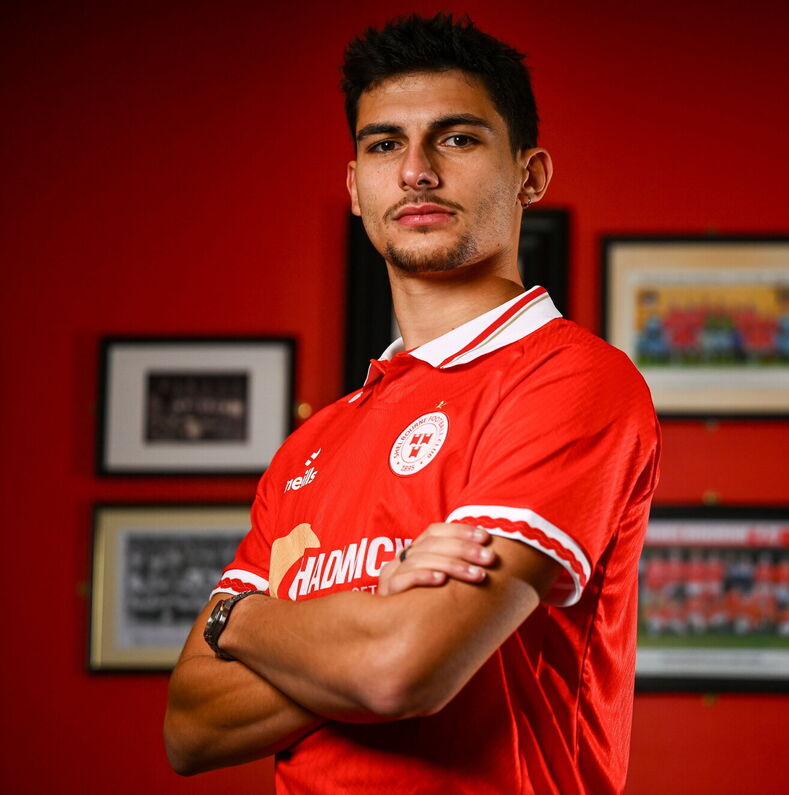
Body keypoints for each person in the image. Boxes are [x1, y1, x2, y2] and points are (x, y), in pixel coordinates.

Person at [163, 14, 661, 794]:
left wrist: (241, 621)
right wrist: (379, 600)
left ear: (529, 175)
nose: (416, 171)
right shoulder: (311, 444)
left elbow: (402, 671)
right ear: (356, 186)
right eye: (384, 144)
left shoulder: (571, 378)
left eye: (457, 139)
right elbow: (191, 724)